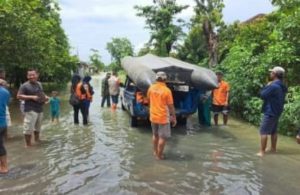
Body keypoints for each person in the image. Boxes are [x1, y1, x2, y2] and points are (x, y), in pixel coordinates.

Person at [257, 66, 287, 157]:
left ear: (275, 74)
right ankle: (273, 149)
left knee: (263, 132)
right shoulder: (283, 85)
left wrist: (267, 85)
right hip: (277, 111)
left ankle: (262, 152)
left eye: (271, 72)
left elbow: (262, 95)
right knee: (274, 131)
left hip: (270, 111)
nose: (270, 74)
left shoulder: (273, 85)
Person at [147, 71, 176, 160]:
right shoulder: (167, 90)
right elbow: (170, 106)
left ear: (156, 79)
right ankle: (159, 156)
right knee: (162, 137)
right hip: (163, 117)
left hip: (153, 116)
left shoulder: (151, 88)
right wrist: (174, 117)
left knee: (155, 135)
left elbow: (148, 100)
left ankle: (155, 152)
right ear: (165, 79)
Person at [17, 69, 49, 147]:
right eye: (29, 75)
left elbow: (41, 93)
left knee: (38, 127)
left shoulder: (39, 84)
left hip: (40, 108)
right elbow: (18, 96)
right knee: (28, 128)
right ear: (27, 76)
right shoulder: (24, 85)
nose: (31, 77)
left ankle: (37, 140)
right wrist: (32, 97)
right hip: (30, 109)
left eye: (33, 75)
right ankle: (28, 145)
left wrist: (45, 98)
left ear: (37, 75)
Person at [0, 80, 10, 173]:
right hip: (3, 123)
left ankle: (4, 167)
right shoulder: (6, 92)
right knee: (1, 145)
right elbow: (6, 104)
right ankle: (3, 166)